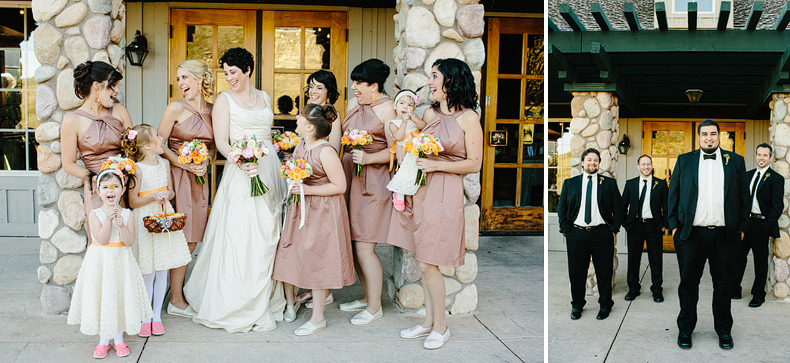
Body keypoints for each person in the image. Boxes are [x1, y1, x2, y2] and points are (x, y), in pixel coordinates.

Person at [183, 47, 287, 333]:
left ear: (248, 71)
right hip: (241, 172)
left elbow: (269, 135)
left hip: (268, 169)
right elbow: (222, 142)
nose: (229, 78)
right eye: (226, 72)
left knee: (269, 232)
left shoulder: (265, 97)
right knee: (243, 233)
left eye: (234, 72)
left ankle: (266, 295)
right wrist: (243, 161)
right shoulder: (224, 100)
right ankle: (236, 299)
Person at [388, 58, 482, 349]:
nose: (429, 82)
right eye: (430, 77)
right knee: (422, 257)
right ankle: (429, 321)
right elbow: (411, 140)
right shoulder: (428, 112)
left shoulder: (469, 118)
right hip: (420, 189)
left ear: (450, 81)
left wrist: (437, 166)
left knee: (429, 261)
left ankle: (441, 327)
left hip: (444, 191)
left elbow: (474, 163)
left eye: (434, 77)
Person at [272, 103, 355, 336]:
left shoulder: (325, 151)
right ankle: (290, 302)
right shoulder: (301, 145)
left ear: (309, 127)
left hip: (322, 211)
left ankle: (318, 318)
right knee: (290, 251)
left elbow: (340, 186)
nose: (296, 119)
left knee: (319, 258)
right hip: (300, 208)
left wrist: (306, 192)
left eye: (300, 118)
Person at [668, 119, 749, 350]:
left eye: (713, 134)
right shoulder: (685, 160)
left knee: (724, 286)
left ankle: (724, 331)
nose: (709, 138)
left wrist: (741, 228)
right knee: (688, 285)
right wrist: (674, 226)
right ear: (699, 137)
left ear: (719, 136)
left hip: (724, 235)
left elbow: (744, 197)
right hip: (691, 235)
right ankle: (685, 330)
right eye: (704, 134)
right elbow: (673, 193)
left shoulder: (735, 161)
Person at [67, 170, 152, 359]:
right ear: (98, 192)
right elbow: (102, 239)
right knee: (103, 298)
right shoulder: (95, 213)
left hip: (121, 261)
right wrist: (109, 220)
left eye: (114, 187)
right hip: (102, 262)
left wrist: (121, 225)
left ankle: (119, 339)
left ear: (122, 190)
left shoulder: (128, 214)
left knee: (119, 297)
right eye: (105, 187)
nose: (110, 191)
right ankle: (103, 340)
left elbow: (130, 241)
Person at [337, 59, 397, 325]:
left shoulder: (389, 109)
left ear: (374, 85)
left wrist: (370, 159)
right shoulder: (353, 105)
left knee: (364, 246)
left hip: (373, 182)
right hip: (350, 176)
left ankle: (375, 306)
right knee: (352, 242)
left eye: (359, 83)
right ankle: (365, 296)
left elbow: (396, 150)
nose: (353, 88)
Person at [156, 60, 216, 317]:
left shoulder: (214, 110)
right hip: (178, 179)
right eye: (179, 79)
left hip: (200, 180)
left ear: (200, 79)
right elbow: (158, 145)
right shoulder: (174, 108)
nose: (181, 84)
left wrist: (206, 160)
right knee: (181, 238)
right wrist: (182, 162)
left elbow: (215, 145)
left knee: (193, 239)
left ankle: (177, 292)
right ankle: (176, 298)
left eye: (185, 78)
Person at [122, 125, 192, 337]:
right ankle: (145, 317)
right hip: (145, 220)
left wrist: (165, 195)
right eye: (158, 137)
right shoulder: (138, 168)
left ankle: (157, 316)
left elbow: (170, 191)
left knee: (162, 268)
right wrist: (153, 197)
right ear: (149, 145)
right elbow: (133, 201)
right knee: (148, 271)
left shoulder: (164, 164)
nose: (163, 139)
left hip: (164, 218)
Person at [60, 61, 134, 236]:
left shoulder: (119, 111)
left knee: (125, 236)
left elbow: (133, 149)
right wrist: (94, 179)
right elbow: (68, 164)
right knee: (102, 239)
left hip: (124, 185)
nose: (116, 92)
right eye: (112, 86)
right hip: (96, 188)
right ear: (96, 86)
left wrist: (126, 171)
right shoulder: (72, 120)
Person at [557, 148, 622, 321]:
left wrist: (613, 228)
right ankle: (577, 305)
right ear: (583, 162)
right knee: (577, 272)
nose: (592, 163)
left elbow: (619, 208)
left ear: (599, 163)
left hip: (602, 233)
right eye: (589, 160)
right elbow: (561, 209)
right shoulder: (570, 184)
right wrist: (566, 230)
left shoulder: (608, 183)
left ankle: (605, 305)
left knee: (604, 272)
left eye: (595, 160)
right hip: (576, 235)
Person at [296, 69, 341, 309]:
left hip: (321, 185)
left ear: (328, 92)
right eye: (311, 86)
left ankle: (327, 292)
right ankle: (314, 289)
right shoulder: (306, 114)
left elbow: (328, 153)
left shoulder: (330, 118)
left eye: (319, 87)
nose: (314, 91)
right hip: (306, 186)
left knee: (324, 242)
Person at [730, 143, 783, 308]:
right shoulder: (748, 175)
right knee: (738, 258)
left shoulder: (775, 178)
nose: (761, 158)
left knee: (760, 262)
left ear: (771, 158)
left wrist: (766, 226)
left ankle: (758, 295)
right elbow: (740, 200)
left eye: (765, 155)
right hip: (746, 223)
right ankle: (734, 290)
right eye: (759, 154)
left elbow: (777, 207)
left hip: (761, 224)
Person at [621, 155, 668, 303]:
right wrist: (626, 224)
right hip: (635, 226)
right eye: (643, 164)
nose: (646, 167)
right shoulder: (630, 184)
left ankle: (657, 290)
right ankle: (633, 288)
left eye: (648, 164)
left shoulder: (660, 184)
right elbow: (622, 205)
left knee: (656, 259)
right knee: (633, 259)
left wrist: (663, 225)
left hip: (654, 226)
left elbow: (666, 206)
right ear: (638, 166)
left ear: (652, 166)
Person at [386, 89, 427, 211]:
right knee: (404, 172)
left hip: (417, 149)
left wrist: (415, 120)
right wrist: (404, 123)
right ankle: (398, 193)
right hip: (405, 150)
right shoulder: (394, 123)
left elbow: (424, 127)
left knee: (417, 171)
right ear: (395, 105)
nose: (405, 107)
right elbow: (397, 137)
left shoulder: (414, 119)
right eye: (402, 103)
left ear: (414, 108)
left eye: (410, 105)